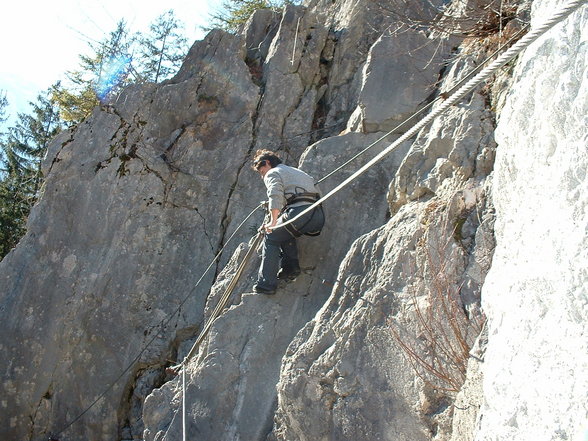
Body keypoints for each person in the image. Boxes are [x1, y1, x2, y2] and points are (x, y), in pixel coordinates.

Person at [251, 149, 325, 295]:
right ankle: (290, 268)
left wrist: (272, 222)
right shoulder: (297, 172)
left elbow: (275, 194)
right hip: (317, 216)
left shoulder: (273, 172)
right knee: (284, 233)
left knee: (271, 236)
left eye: (261, 171)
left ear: (267, 163)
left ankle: (266, 284)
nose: (262, 175)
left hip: (299, 213)